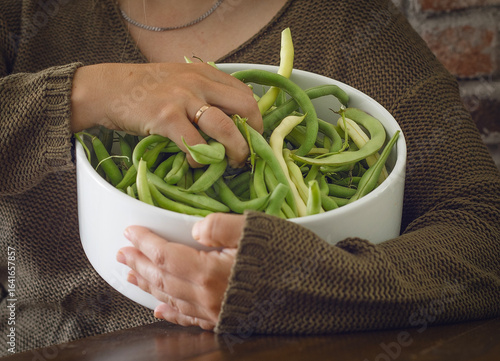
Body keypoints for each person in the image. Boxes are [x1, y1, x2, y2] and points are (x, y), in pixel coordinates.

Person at [1, 0, 499, 355]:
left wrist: (308, 287)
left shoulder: (349, 23)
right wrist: (81, 95)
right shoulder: (27, 12)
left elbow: (485, 230)